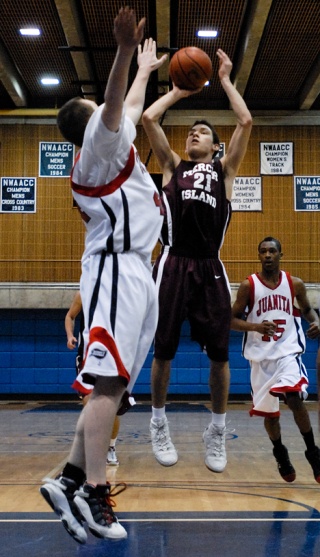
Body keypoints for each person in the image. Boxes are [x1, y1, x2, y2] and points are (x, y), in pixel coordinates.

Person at [40, 7, 166, 545]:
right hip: (117, 268)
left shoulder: (112, 145)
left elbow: (128, 104)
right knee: (106, 383)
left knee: (114, 390)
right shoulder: (97, 145)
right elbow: (115, 106)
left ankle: (67, 479)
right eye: (101, 114)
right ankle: (94, 488)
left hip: (137, 271)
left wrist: (144, 68)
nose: (111, 115)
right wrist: (118, 54)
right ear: (90, 123)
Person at [142, 48, 252, 472]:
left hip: (209, 265)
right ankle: (157, 421)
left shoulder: (224, 171)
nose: (194, 134)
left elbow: (245, 121)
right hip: (171, 261)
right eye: (191, 131)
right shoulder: (171, 166)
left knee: (220, 355)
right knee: (163, 350)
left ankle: (218, 430)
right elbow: (149, 119)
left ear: (215, 145)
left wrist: (224, 80)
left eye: (202, 132)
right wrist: (176, 91)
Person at [231, 237, 320, 483]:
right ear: (258, 256)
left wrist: (316, 322)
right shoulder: (248, 286)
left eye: (272, 251)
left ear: (281, 254)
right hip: (261, 358)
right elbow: (230, 320)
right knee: (270, 415)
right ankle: (280, 452)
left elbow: (307, 310)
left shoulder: (295, 284)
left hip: (287, 351)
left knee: (292, 395)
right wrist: (256, 326)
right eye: (263, 251)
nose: (268, 255)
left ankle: (313, 452)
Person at [65, 291, 120, 465]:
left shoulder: (115, 292)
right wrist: (70, 335)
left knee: (113, 406)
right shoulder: (82, 294)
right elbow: (69, 316)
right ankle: (93, 449)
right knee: (89, 405)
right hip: (86, 358)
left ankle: (111, 446)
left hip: (111, 356)